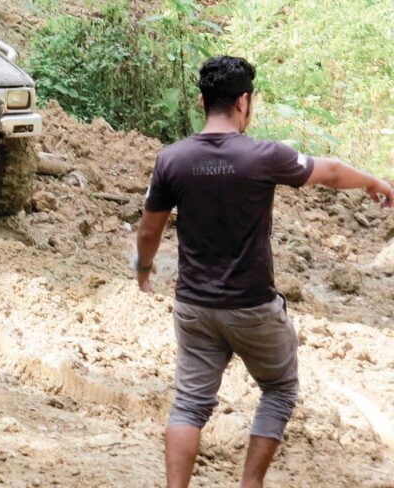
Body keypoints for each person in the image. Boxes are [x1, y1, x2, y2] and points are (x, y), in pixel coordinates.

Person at [134, 55, 392, 488]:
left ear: (202, 101)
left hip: (194, 307)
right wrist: (373, 182)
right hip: (252, 307)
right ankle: (250, 483)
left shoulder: (171, 159)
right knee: (279, 388)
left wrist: (144, 270)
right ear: (244, 102)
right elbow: (327, 172)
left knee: (190, 405)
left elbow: (149, 228)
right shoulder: (264, 156)